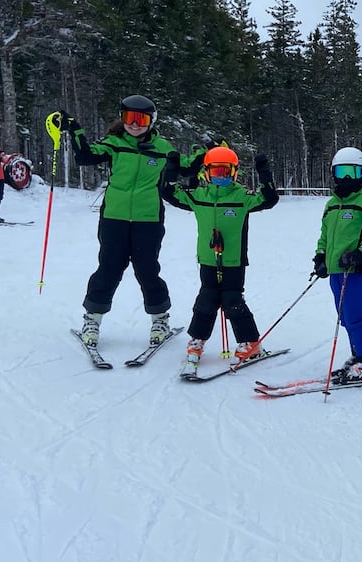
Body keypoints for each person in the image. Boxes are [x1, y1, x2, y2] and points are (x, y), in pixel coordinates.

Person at [63, 94, 178, 348]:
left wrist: (208, 154)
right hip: (114, 218)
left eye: (141, 119)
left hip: (148, 219)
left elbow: (186, 168)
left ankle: (160, 318)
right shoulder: (114, 143)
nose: (134, 124)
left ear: (152, 120)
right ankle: (92, 319)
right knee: (109, 268)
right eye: (128, 118)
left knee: (147, 269)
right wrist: (74, 128)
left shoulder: (162, 148)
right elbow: (86, 156)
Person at [161, 146, 278, 375]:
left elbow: (270, 199)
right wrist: (171, 170)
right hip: (208, 260)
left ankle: (250, 343)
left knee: (232, 299)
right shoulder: (199, 197)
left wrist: (265, 174)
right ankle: (197, 340)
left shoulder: (242, 198)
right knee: (207, 299)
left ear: (234, 173)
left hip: (234, 261)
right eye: (216, 172)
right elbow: (168, 193)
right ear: (206, 172)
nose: (220, 177)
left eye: (226, 172)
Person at [311, 147, 362, 382]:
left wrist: (360, 253)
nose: (347, 178)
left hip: (356, 269)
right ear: (334, 173)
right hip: (336, 270)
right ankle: (360, 355)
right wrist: (320, 257)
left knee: (356, 314)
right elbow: (324, 235)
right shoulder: (331, 205)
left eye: (352, 172)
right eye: (342, 172)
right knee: (344, 316)